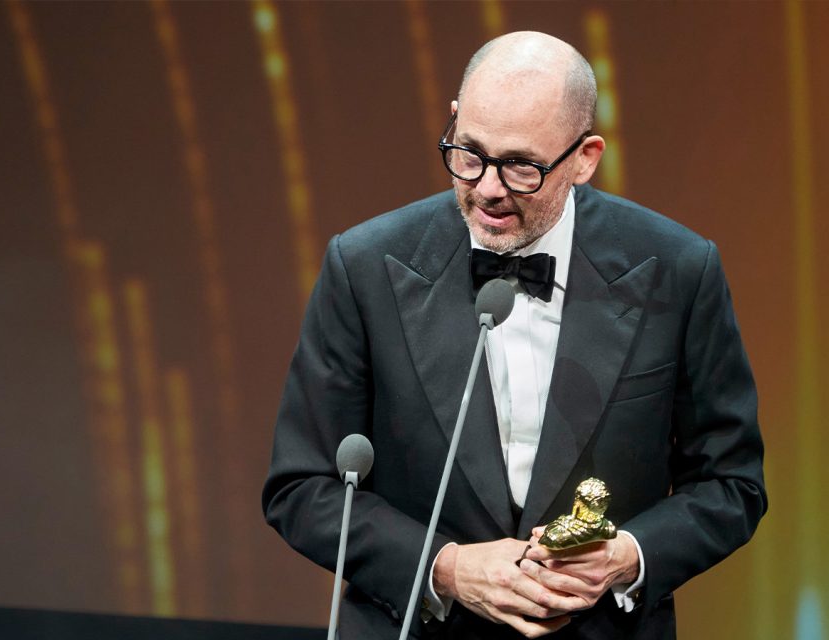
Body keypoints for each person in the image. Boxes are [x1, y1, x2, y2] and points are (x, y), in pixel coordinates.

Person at [262, 31, 766, 639]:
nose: (488, 188)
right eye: (469, 154)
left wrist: (627, 556)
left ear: (585, 157)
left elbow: (731, 483)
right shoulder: (365, 266)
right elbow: (303, 487)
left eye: (522, 166)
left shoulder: (677, 270)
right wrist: (445, 568)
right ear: (453, 119)